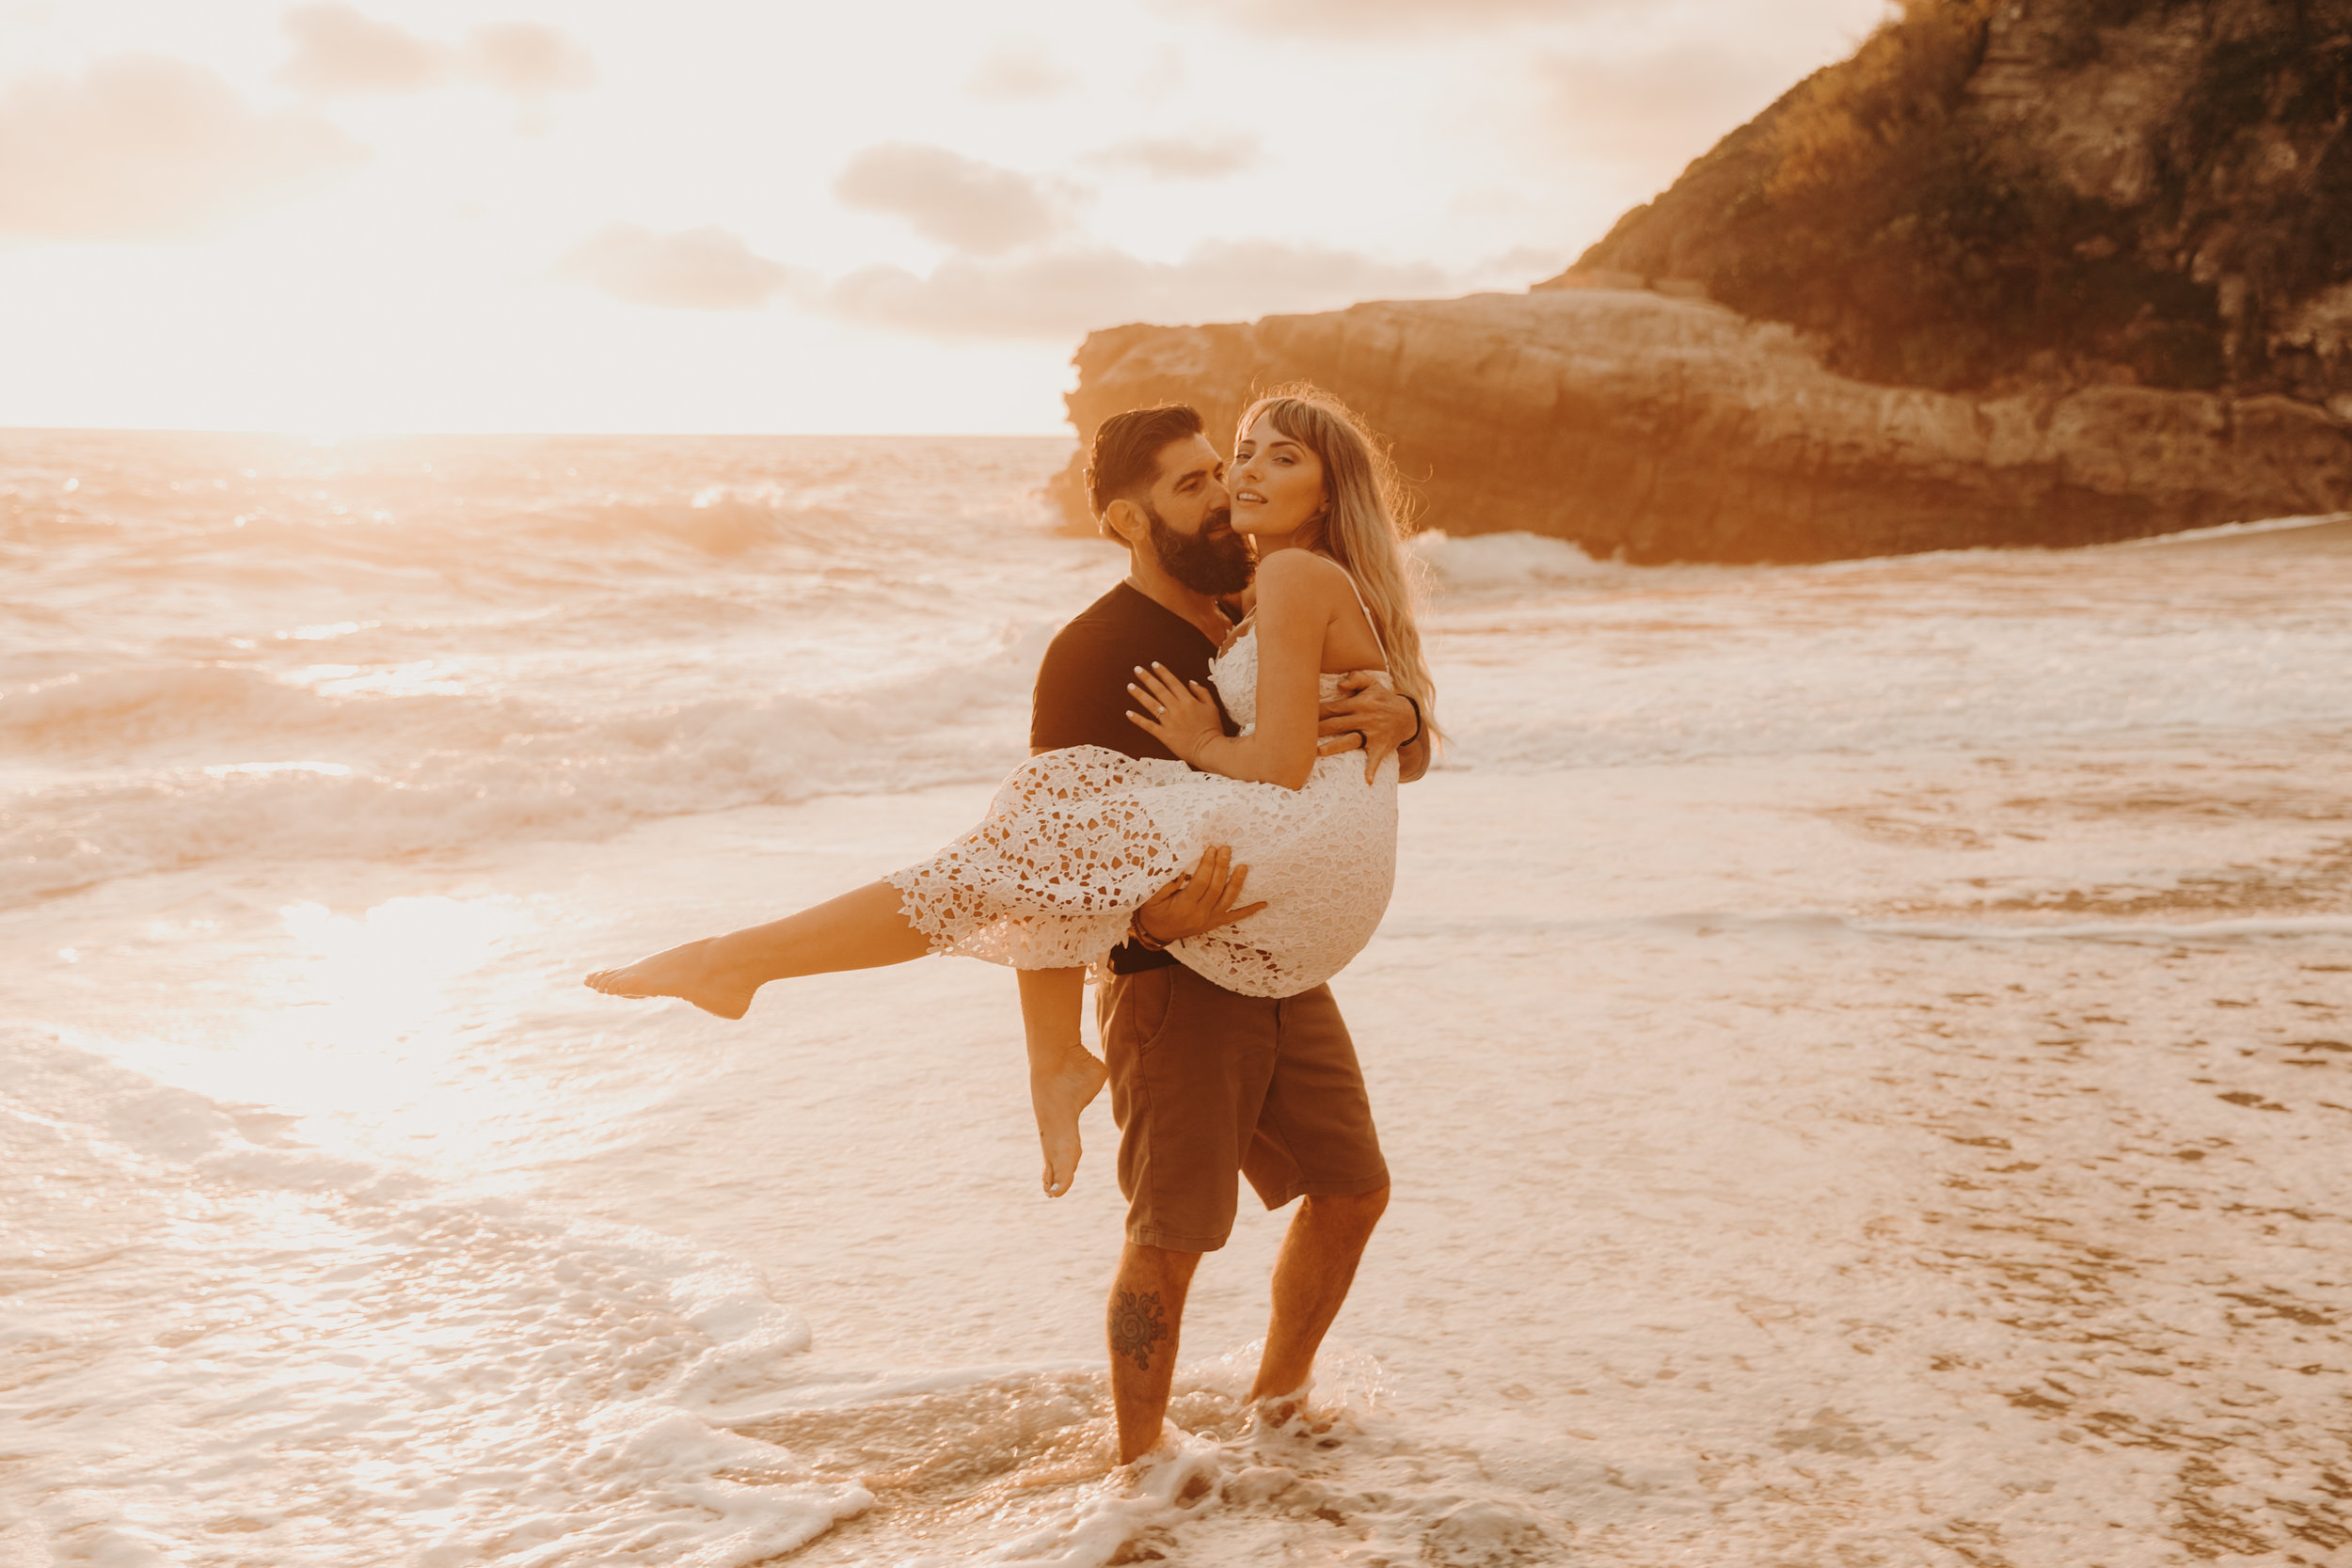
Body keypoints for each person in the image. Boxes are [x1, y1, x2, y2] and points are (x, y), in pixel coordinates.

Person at [585, 388, 1434, 1463]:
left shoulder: (1249, 600)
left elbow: (1335, 742)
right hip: (1172, 974)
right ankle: (1140, 1466)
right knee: (1170, 1232)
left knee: (1352, 1188)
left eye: (1230, 469)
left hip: (1275, 952)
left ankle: (1277, 1403)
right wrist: (1082, 1010)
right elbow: (1046, 865)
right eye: (1198, 481)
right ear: (1126, 519)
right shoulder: (1097, 650)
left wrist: (1404, 716)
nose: (1227, 492)